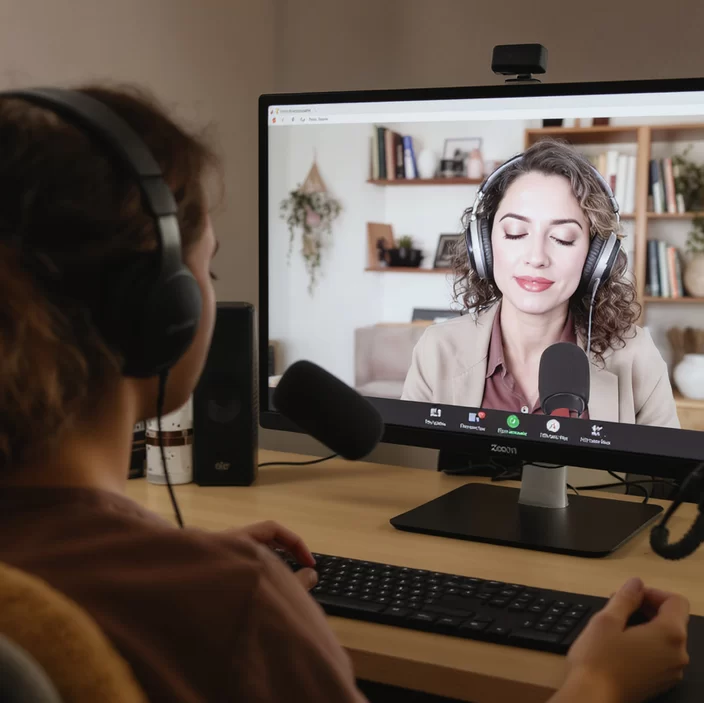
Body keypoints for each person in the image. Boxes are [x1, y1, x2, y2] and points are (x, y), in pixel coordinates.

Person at [0, 86, 690, 703]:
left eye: (562, 236)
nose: (536, 253)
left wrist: (167, 551)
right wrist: (599, 684)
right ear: (162, 313)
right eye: (209, 265)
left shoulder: (196, 584)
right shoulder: (235, 603)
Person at [402, 140, 679, 428]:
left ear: (596, 257)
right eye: (515, 232)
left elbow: (669, 473)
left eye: (563, 238)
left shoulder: (636, 356)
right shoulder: (436, 350)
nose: (536, 257)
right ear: (483, 243)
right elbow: (409, 468)